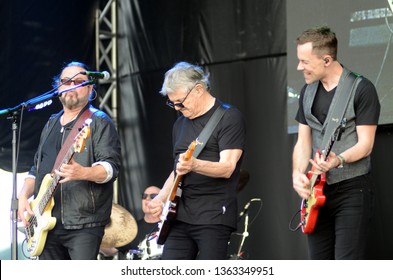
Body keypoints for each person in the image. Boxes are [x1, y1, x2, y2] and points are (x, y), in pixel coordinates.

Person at [292, 26, 380, 259]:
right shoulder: (307, 91)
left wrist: (338, 159)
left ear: (327, 60)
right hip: (315, 193)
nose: (299, 67)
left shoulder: (362, 89)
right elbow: (303, 141)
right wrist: (297, 174)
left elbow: (366, 144)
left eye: (305, 61)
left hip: (351, 189)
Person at [17, 61, 121, 260]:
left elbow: (111, 168)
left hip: (83, 223)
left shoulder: (99, 122)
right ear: (58, 87)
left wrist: (83, 173)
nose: (72, 86)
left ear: (90, 89)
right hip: (45, 223)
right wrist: (23, 196)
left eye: (79, 82)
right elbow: (36, 168)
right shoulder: (50, 123)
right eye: (66, 82)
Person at [148, 61, 246, 260]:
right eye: (172, 102)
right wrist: (160, 198)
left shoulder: (229, 117)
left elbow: (227, 168)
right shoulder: (180, 124)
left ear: (198, 89)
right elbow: (177, 170)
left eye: (180, 101)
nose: (176, 107)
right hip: (179, 216)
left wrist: (195, 164)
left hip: (213, 216)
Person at [100, 185, 162, 260]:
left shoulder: (170, 227)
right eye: (144, 196)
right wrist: (95, 236)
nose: (147, 199)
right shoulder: (131, 228)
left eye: (153, 196)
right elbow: (109, 251)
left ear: (163, 200)